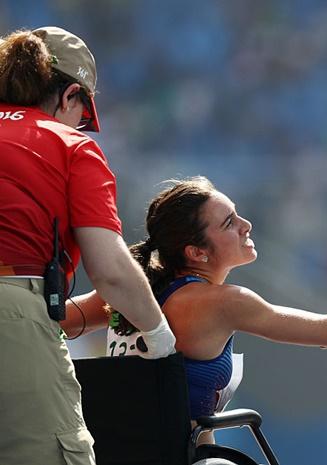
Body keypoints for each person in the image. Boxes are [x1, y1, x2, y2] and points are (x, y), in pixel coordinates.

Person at [59, 176, 327, 436]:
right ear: (197, 253)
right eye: (229, 223)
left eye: (238, 215)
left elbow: (62, 323)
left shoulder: (135, 289)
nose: (246, 225)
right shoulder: (223, 303)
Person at [0, 27, 176, 465]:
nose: (81, 125)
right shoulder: (69, 146)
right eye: (83, 113)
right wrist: (158, 334)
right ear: (70, 95)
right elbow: (111, 271)